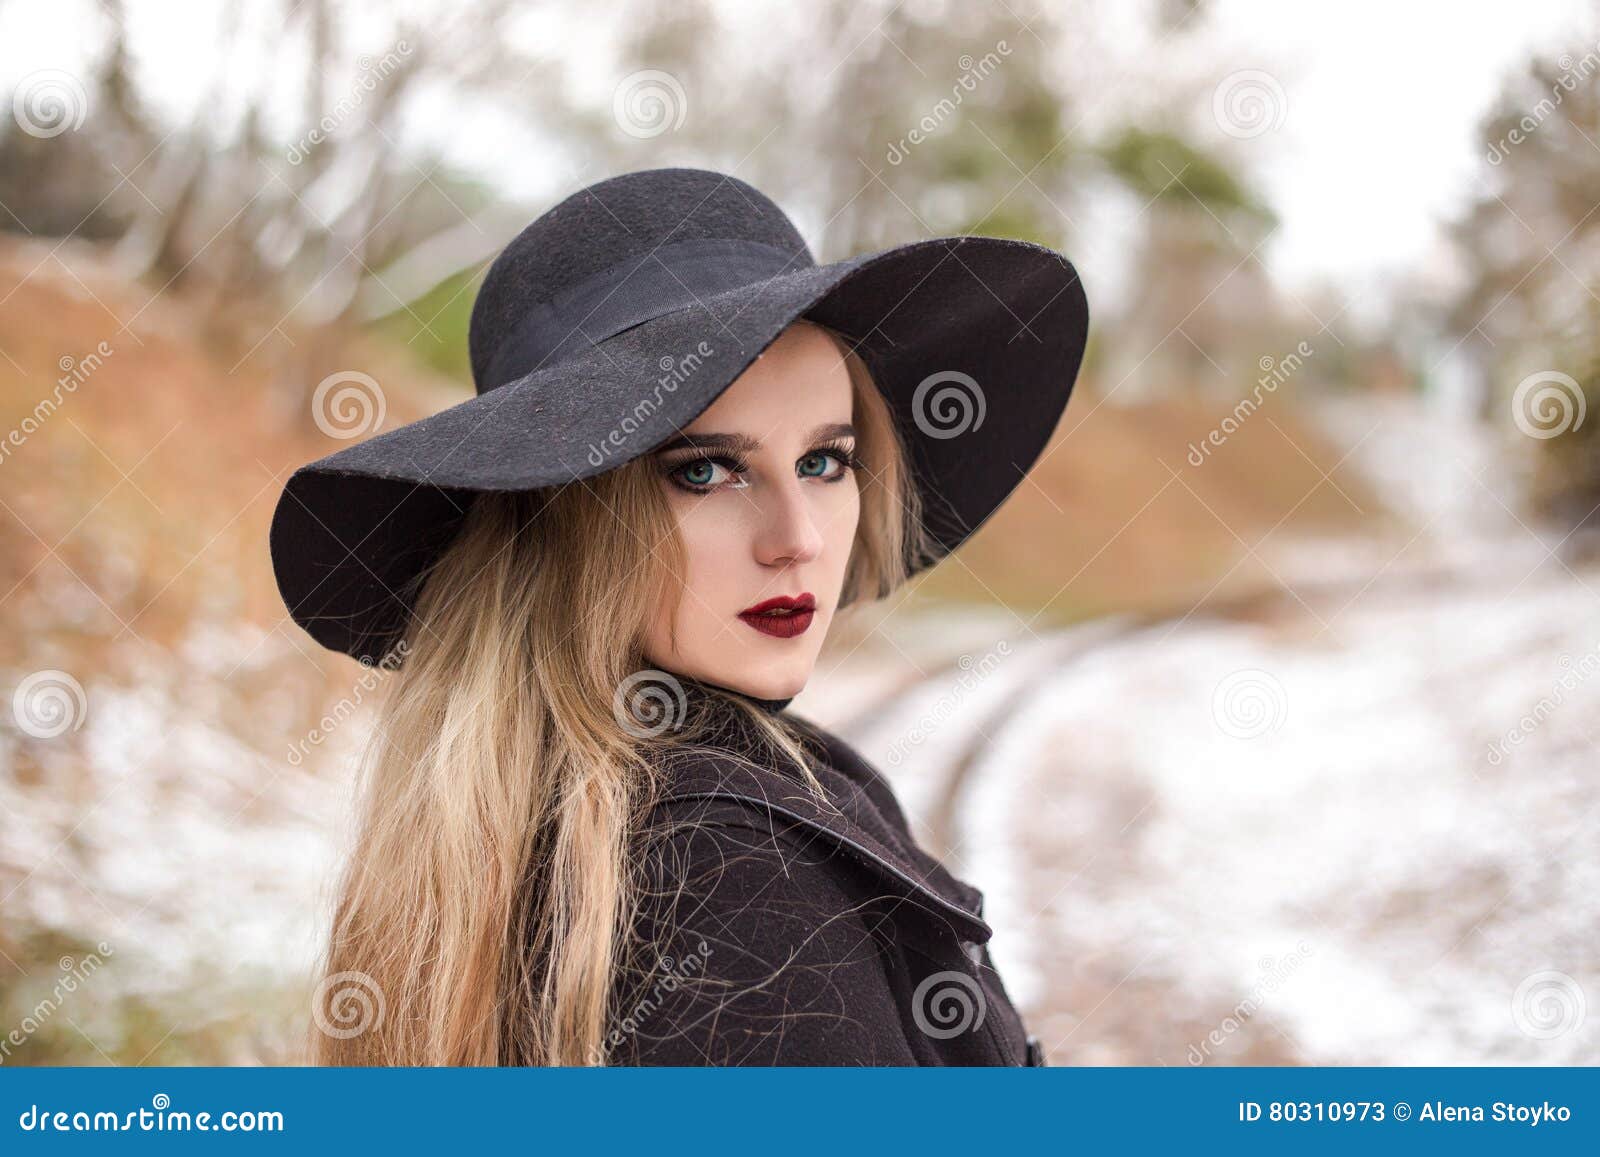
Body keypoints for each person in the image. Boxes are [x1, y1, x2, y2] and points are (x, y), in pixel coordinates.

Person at [268, 165, 1089, 1065]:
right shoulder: (741, 890)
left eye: (825, 462)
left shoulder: (516, 816)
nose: (797, 538)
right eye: (704, 470)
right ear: (565, 518)